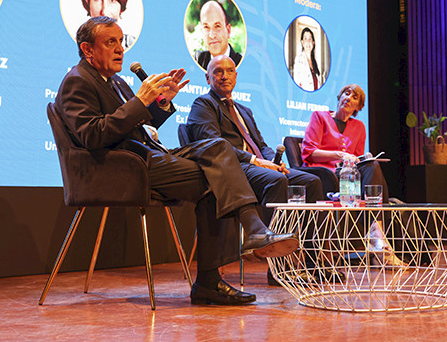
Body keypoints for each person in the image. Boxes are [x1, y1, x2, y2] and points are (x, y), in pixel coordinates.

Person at [54, 16, 298, 305]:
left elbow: (134, 124)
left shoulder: (115, 81)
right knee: (215, 179)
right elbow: (93, 136)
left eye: (121, 41)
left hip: (146, 156)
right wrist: (139, 102)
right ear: (87, 49)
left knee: (217, 148)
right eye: (110, 42)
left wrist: (161, 103)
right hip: (120, 168)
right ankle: (219, 270)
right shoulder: (76, 82)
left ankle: (252, 233)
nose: (120, 48)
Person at [187, 55, 324, 284]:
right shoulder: (203, 105)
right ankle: (277, 269)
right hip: (232, 168)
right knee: (275, 181)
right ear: (207, 77)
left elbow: (261, 145)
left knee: (312, 182)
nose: (224, 76)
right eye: (218, 71)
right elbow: (213, 144)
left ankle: (312, 264)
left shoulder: (244, 110)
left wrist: (274, 161)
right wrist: (255, 161)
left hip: (259, 165)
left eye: (229, 71)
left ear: (236, 76)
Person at [301, 83, 407, 267]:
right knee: (372, 171)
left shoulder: (359, 126)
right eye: (346, 93)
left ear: (359, 107)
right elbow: (309, 152)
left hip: (350, 175)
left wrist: (362, 159)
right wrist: (339, 155)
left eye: (354, 97)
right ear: (339, 97)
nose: (349, 97)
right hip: (326, 172)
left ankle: (376, 234)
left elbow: (357, 158)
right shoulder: (319, 116)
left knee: (372, 165)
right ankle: (377, 239)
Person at [194, 0, 242, 69]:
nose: (212, 35)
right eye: (206, 27)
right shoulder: (199, 61)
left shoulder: (240, 63)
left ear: (228, 30)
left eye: (217, 26)